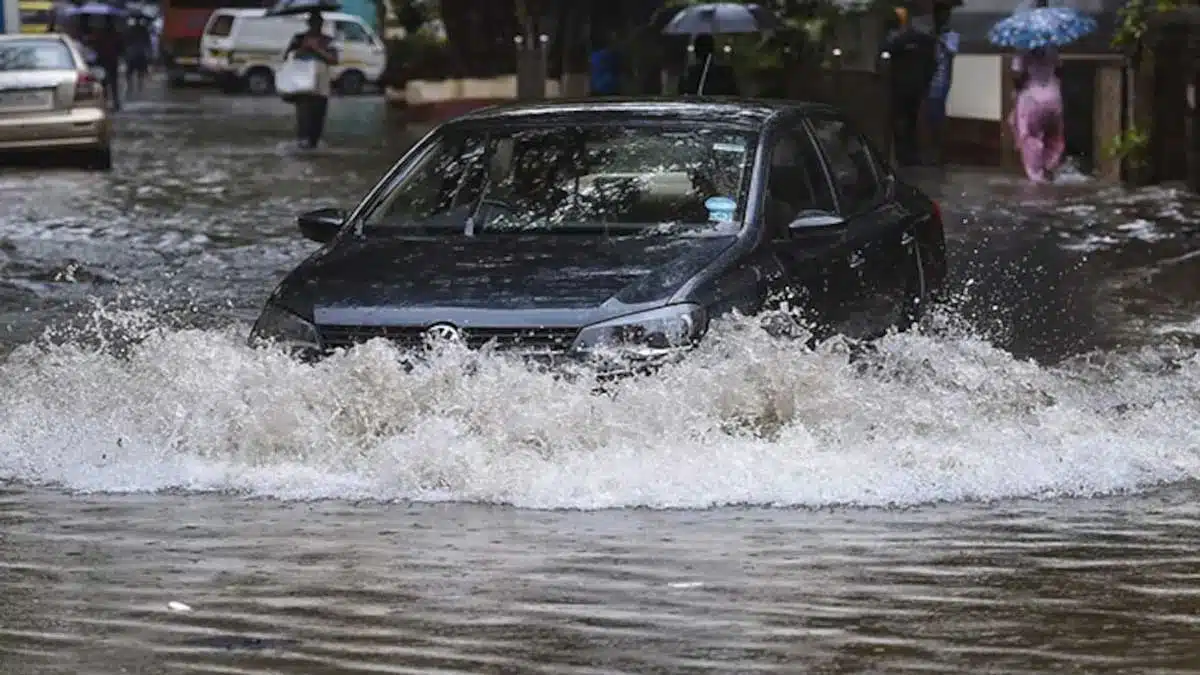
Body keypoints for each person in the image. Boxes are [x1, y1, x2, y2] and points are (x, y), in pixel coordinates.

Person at [882, 7, 938, 167]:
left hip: (900, 86)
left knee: (901, 120)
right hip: (917, 87)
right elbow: (932, 65)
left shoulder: (899, 41)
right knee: (911, 121)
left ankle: (903, 154)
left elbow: (886, 54)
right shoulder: (926, 42)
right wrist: (926, 82)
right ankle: (911, 154)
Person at [1009, 45, 1064, 183]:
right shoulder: (1052, 48)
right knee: (1053, 135)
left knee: (1029, 136)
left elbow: (1017, 74)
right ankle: (1050, 166)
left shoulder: (1022, 49)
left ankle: (1036, 176)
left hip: (1032, 100)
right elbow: (1059, 69)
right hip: (1054, 98)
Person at [284, 11, 339, 149]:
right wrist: (304, 48)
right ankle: (302, 143)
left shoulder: (328, 40)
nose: (317, 26)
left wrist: (317, 49)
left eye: (319, 23)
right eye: (314, 23)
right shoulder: (299, 38)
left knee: (318, 119)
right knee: (303, 118)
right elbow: (288, 56)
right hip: (302, 85)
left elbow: (334, 60)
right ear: (308, 24)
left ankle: (313, 144)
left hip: (321, 86)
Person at [925, 3, 960, 166]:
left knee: (937, 114)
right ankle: (931, 150)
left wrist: (938, 39)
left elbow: (951, 51)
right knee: (930, 115)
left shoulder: (951, 35)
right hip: (927, 79)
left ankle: (938, 152)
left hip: (941, 80)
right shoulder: (929, 34)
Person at [91, 14, 125, 111]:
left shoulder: (100, 34)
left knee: (104, 83)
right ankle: (115, 103)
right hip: (112, 61)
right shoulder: (116, 34)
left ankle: (105, 103)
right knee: (113, 83)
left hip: (104, 61)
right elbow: (121, 48)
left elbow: (96, 47)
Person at [125, 19, 152, 97]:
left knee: (129, 72)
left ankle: (131, 87)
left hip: (132, 53)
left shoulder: (130, 29)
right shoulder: (144, 30)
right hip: (141, 53)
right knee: (140, 72)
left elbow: (126, 41)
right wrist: (149, 54)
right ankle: (139, 87)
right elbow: (148, 43)